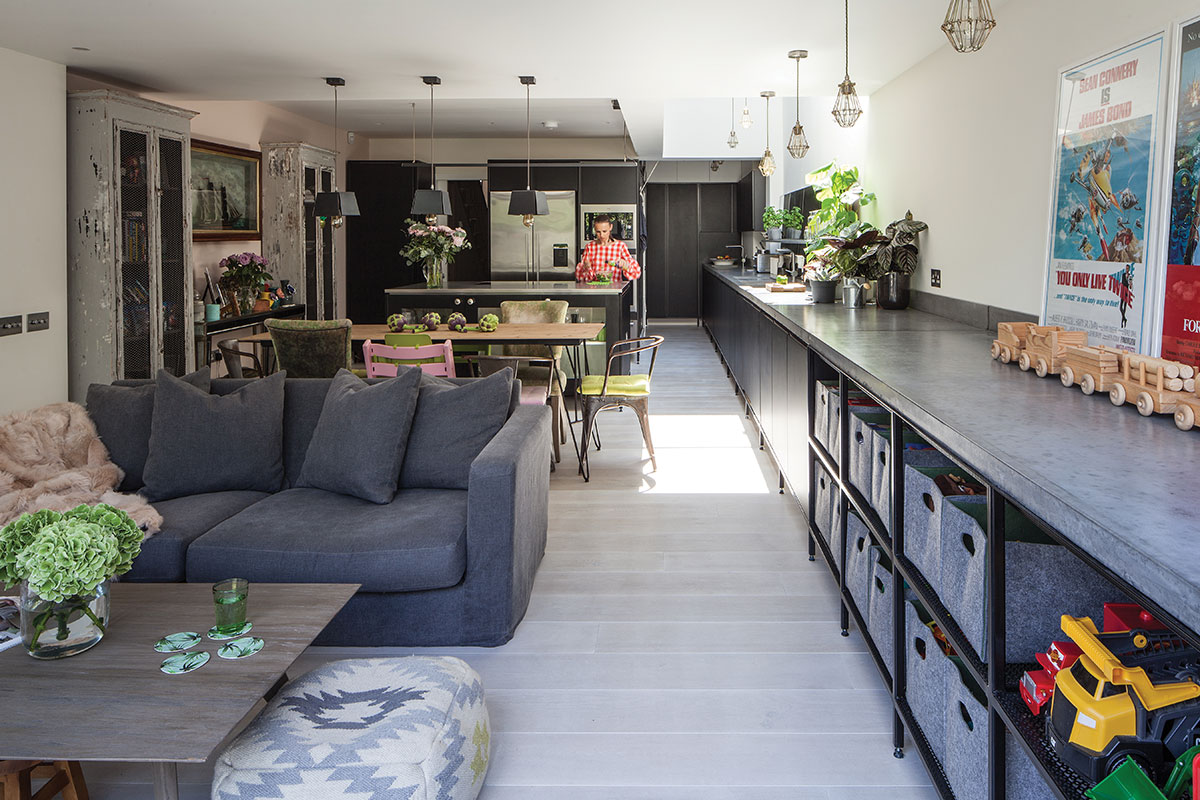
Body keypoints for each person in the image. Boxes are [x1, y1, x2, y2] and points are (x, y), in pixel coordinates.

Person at [576, 215, 641, 282]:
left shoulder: (620, 246)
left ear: (610, 227)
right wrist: (586, 267)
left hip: (615, 289)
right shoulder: (590, 247)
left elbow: (636, 273)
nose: (601, 235)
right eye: (598, 232)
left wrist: (625, 265)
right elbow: (580, 277)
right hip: (594, 289)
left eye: (604, 231)